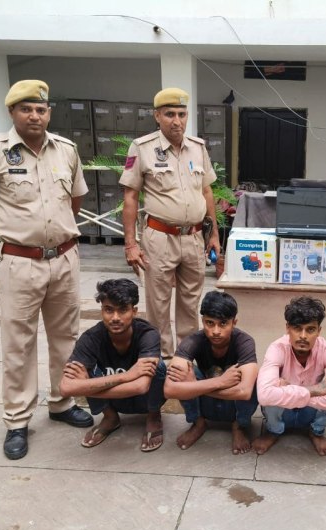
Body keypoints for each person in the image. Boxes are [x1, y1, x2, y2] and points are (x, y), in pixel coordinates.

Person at [0, 80, 93, 460]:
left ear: (48, 112)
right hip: (20, 263)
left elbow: (74, 201)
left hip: (64, 259)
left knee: (66, 337)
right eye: (26, 109)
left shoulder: (66, 150)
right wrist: (22, 237)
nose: (34, 116)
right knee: (18, 344)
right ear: (12, 112)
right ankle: (17, 420)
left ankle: (62, 402)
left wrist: (52, 238)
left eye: (41, 109)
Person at [119, 87, 220, 359]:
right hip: (159, 237)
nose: (177, 121)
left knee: (191, 302)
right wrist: (130, 244)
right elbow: (130, 196)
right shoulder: (142, 148)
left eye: (182, 114)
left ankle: (185, 358)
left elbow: (207, 191)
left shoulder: (197, 148)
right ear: (157, 116)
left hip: (194, 237)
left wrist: (213, 234)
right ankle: (161, 360)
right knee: (158, 304)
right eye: (170, 114)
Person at [59, 279, 167, 451]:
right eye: (109, 310)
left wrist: (86, 386)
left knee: (159, 366)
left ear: (134, 311)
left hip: (144, 399)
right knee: (84, 368)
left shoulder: (148, 334)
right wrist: (127, 376)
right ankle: (110, 417)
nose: (115, 318)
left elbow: (141, 386)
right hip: (112, 401)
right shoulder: (91, 338)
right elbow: (65, 388)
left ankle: (153, 416)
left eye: (123, 310)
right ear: (102, 310)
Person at [164, 291, 259, 454]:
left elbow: (245, 392)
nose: (215, 331)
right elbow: (169, 389)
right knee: (184, 373)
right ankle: (198, 423)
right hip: (208, 402)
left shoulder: (244, 341)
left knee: (253, 376)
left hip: (233, 403)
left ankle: (239, 426)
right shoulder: (192, 341)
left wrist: (194, 386)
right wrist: (220, 382)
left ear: (234, 323)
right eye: (210, 323)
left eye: (223, 324)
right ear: (202, 321)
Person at [254, 296, 326, 456]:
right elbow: (264, 396)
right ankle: (274, 430)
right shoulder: (277, 348)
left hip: (308, 411)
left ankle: (316, 431)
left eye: (310, 329)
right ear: (287, 328)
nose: (303, 336)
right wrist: (315, 390)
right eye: (297, 328)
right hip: (283, 411)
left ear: (319, 331)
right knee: (269, 395)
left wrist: (289, 393)